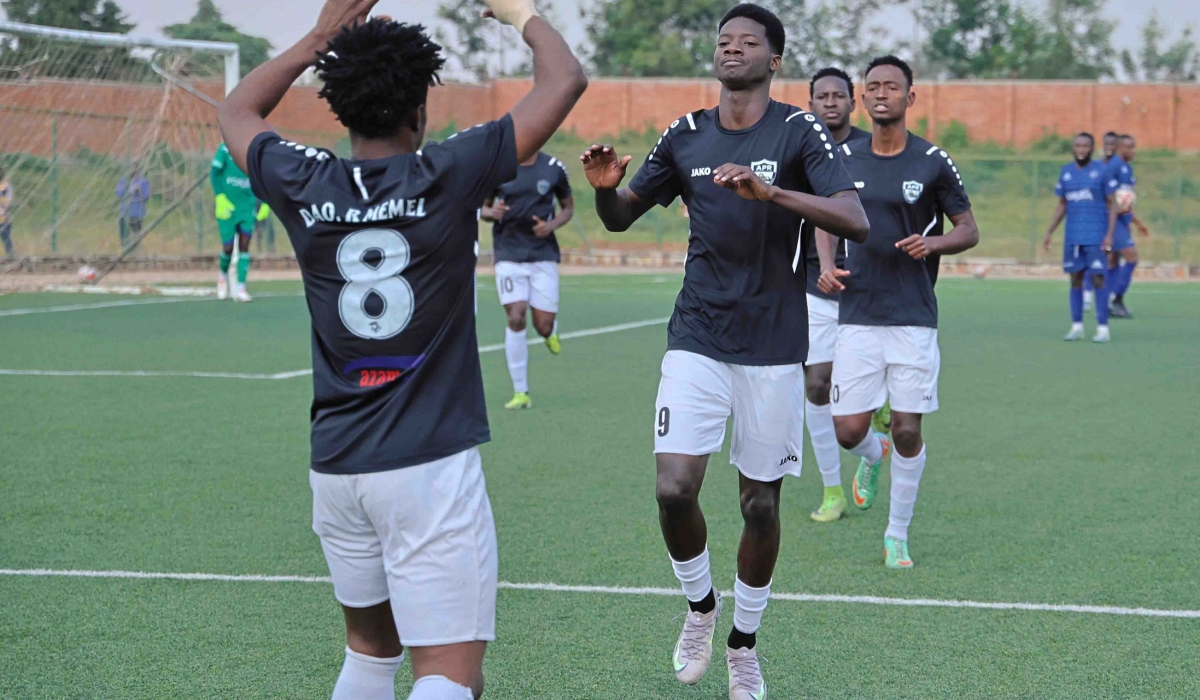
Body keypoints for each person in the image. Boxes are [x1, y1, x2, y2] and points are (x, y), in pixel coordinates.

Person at [217, 0, 585, 697]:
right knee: (450, 674)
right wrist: (519, 13)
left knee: (368, 654)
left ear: (340, 109)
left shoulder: (304, 179)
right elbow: (564, 80)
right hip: (427, 465)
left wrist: (319, 37)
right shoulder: (447, 171)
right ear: (418, 112)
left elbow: (236, 109)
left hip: (337, 466)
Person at [581, 6, 868, 697]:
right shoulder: (685, 133)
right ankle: (701, 607)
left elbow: (855, 218)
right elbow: (621, 216)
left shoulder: (798, 130)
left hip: (772, 344)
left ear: (774, 60)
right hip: (698, 336)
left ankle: (744, 645)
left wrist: (774, 192)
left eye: (748, 42)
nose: (732, 48)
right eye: (724, 40)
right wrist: (604, 192)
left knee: (759, 508)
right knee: (673, 489)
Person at [819, 55, 980, 570]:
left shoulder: (932, 160)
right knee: (847, 430)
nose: (881, 93)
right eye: (873, 86)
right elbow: (825, 216)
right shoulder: (843, 158)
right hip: (857, 314)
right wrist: (827, 262)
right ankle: (874, 454)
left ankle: (896, 535)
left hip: (913, 317)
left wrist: (934, 244)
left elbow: (968, 229)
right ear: (863, 98)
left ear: (910, 97)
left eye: (892, 86)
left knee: (908, 428)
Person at [804, 66, 871, 523]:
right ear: (810, 103)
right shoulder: (801, 147)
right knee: (816, 385)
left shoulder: (873, 148)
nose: (830, 102)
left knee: (864, 402)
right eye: (822, 96)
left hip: (870, 290)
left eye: (838, 95)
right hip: (816, 284)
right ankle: (832, 490)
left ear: (852, 101)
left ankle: (873, 443)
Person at [480, 150, 573, 410]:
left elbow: (568, 208)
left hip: (543, 255)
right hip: (508, 254)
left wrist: (550, 226)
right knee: (516, 316)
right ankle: (520, 391)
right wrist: (492, 212)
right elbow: (483, 208)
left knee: (542, 325)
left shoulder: (553, 167)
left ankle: (549, 332)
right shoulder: (499, 166)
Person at [1043, 133, 1117, 343]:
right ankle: (1077, 327)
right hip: (1073, 237)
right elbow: (1062, 205)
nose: (1081, 149)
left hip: (1096, 236)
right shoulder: (1066, 172)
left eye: (1085, 146)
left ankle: (1103, 328)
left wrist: (1109, 235)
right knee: (1075, 279)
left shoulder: (1101, 171)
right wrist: (1049, 231)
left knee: (1098, 279)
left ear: (1091, 148)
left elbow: (1112, 204)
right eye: (1078, 145)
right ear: (1073, 148)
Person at [1105, 134, 1149, 318]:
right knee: (1132, 257)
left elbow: (1125, 201)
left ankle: (1107, 301)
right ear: (1120, 148)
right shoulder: (1113, 166)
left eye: (1134, 146)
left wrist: (1137, 222)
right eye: (1129, 147)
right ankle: (1116, 299)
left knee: (1114, 260)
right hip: (1111, 220)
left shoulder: (1127, 168)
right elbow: (1107, 196)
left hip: (1122, 220)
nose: (1133, 151)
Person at [211, 142, 259, 302]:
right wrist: (220, 196)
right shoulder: (226, 148)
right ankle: (222, 276)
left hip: (247, 206)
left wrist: (265, 202)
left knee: (244, 245)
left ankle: (241, 287)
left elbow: (262, 178)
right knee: (228, 247)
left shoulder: (255, 149)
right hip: (228, 205)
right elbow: (214, 173)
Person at [115, 165, 150, 247]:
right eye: (130, 167)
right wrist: (129, 190)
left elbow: (147, 196)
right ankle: (124, 248)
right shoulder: (123, 180)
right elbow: (118, 193)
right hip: (124, 212)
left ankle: (135, 249)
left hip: (137, 213)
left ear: (137, 169)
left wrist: (139, 191)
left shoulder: (143, 181)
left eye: (134, 168)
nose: (132, 170)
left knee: (136, 236)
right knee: (124, 237)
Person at [0, 168, 13, 258]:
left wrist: (4, 210)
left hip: (4, 216)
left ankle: (11, 256)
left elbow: (9, 199)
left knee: (6, 237)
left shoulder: (6, 186)